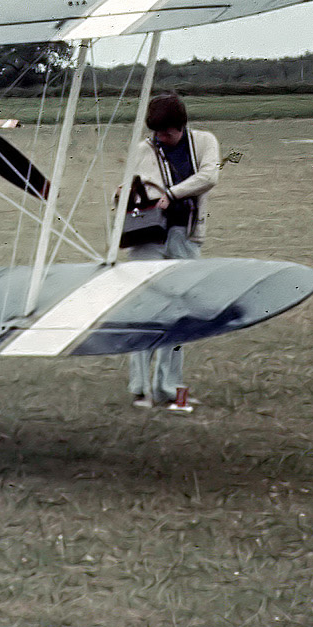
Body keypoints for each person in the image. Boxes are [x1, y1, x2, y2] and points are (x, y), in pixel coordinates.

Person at [127, 93, 220, 414]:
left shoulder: (205, 142)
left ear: (181, 126)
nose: (160, 139)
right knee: (145, 310)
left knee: (181, 312)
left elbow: (209, 176)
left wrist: (171, 193)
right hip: (147, 237)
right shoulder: (144, 149)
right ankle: (140, 389)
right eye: (156, 133)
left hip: (185, 235)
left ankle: (169, 388)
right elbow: (131, 186)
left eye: (166, 133)